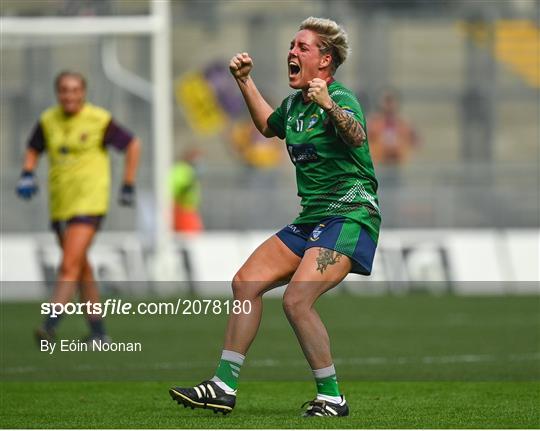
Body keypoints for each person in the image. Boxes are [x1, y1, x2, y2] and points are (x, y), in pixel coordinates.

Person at [169, 17, 380, 418]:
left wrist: (330, 106)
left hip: (349, 216)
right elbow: (268, 126)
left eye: (302, 47)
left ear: (325, 60)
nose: (292, 53)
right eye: (291, 46)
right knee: (244, 283)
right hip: (311, 219)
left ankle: (332, 397)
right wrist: (245, 81)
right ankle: (223, 386)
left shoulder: (341, 98)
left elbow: (355, 136)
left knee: (298, 300)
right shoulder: (294, 106)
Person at [16, 71, 141, 344]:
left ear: (83, 92)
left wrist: (128, 183)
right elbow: (33, 147)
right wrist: (27, 172)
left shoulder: (98, 119)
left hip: (90, 201)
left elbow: (132, 144)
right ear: (57, 93)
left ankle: (49, 325)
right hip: (61, 204)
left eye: (74, 90)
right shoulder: (49, 120)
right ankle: (98, 333)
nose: (69, 95)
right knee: (81, 268)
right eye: (64, 90)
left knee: (69, 264)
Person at [367, 88, 418, 166]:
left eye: (391, 100)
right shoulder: (372, 124)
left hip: (400, 165)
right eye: (387, 100)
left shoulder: (404, 124)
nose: (389, 105)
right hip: (378, 165)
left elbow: (415, 143)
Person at [170, 148, 204, 233]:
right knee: (187, 237)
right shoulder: (181, 170)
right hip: (182, 210)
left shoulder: (190, 171)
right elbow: (175, 189)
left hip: (189, 210)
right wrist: (188, 186)